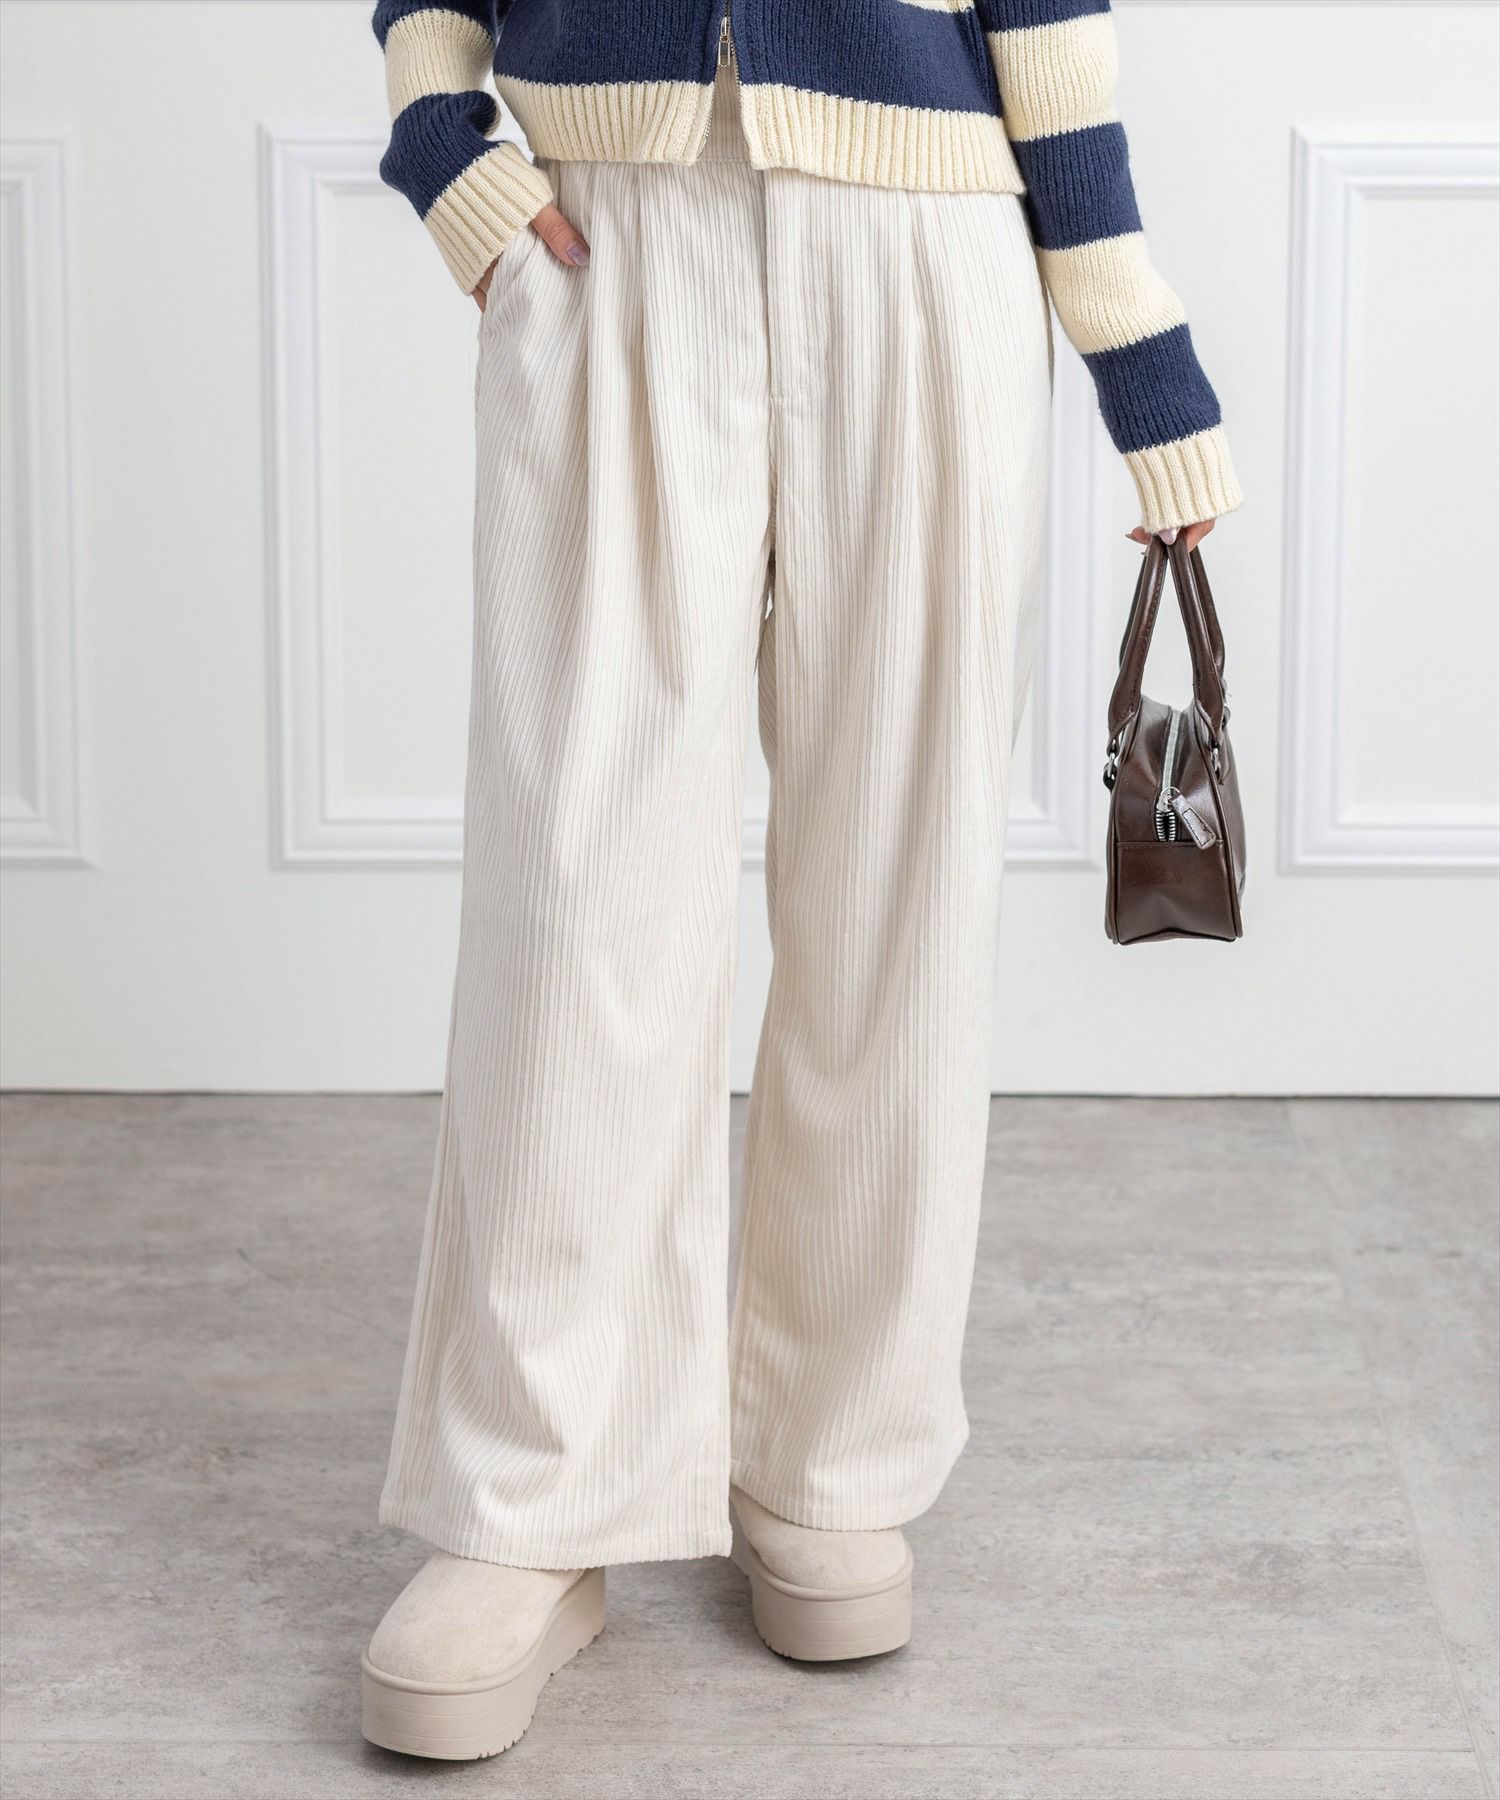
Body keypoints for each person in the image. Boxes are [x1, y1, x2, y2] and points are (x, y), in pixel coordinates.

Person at [359, 0, 1241, 1761]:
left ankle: (833, 1458)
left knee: (896, 901)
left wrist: (1137, 347)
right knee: (575, 902)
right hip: (604, 224)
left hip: (926, 244)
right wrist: (446, 150)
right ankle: (533, 1496)